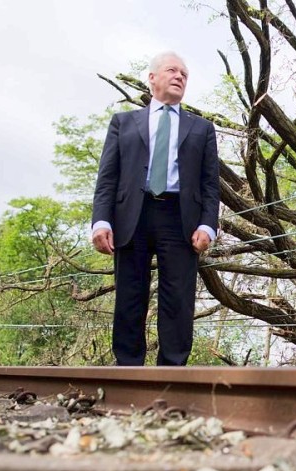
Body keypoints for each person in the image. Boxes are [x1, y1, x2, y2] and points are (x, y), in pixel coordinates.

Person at [91, 51, 220, 366]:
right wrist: (100, 221)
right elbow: (108, 177)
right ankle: (128, 366)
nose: (179, 77)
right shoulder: (123, 122)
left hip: (179, 218)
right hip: (131, 215)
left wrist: (207, 226)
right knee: (130, 294)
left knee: (178, 297)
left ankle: (172, 370)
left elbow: (209, 185)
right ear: (152, 78)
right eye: (172, 71)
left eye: (184, 75)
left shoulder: (202, 128)